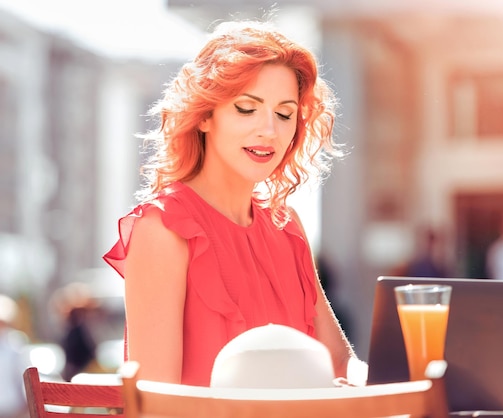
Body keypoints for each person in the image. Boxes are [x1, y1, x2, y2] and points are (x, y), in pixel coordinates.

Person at [103, 19, 365, 387]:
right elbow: (156, 404)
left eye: (284, 113)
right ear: (206, 115)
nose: (269, 130)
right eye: (247, 108)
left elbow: (340, 363)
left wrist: (400, 378)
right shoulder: (163, 229)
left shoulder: (287, 226)